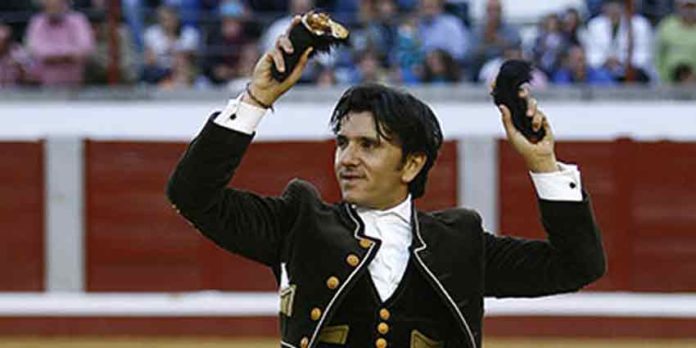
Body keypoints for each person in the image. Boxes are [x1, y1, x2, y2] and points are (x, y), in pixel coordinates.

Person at [167, 17, 605, 348]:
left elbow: (577, 266)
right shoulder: (297, 224)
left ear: (412, 164)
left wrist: (544, 164)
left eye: (368, 146)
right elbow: (192, 194)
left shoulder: (460, 243)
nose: (347, 159)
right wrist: (256, 99)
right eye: (343, 143)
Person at [25, 0, 95, 87]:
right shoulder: (37, 22)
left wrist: (53, 56)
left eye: (57, 3)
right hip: (44, 85)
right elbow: (35, 49)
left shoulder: (78, 20)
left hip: (76, 83)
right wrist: (68, 56)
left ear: (65, 3)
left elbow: (85, 47)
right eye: (49, 4)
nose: (53, 6)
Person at [585, 0, 653, 83]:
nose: (614, 9)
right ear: (604, 7)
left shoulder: (640, 24)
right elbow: (591, 55)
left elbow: (644, 56)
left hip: (633, 72)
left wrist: (621, 61)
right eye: (610, 5)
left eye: (617, 6)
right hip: (603, 72)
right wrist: (605, 62)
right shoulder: (595, 25)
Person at [654, 0, 696, 84]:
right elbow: (657, 55)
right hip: (668, 82)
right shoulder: (666, 25)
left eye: (693, 7)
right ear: (679, 7)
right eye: (686, 7)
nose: (689, 11)